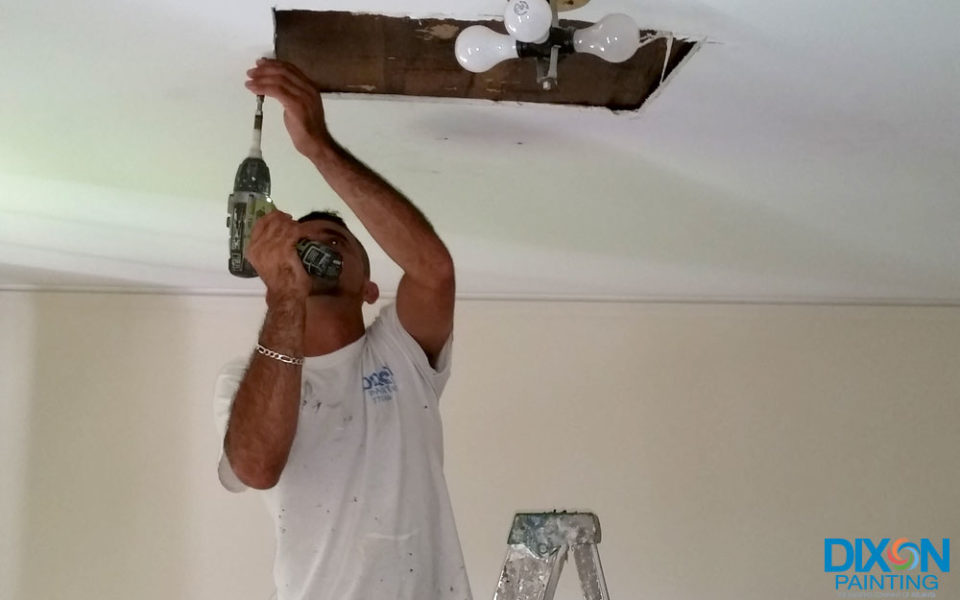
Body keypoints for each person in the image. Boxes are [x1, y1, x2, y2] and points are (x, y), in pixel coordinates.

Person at [213, 58, 472, 600]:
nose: (322, 247)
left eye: (339, 242)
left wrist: (318, 147)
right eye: (304, 245)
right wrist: (287, 295)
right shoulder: (243, 378)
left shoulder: (400, 354)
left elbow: (434, 270)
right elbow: (256, 467)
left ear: (371, 286)